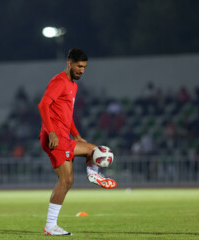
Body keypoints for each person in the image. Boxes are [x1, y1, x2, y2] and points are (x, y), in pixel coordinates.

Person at [38, 48, 117, 236]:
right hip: (54, 139)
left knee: (95, 150)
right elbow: (43, 105)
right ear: (69, 63)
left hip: (64, 138)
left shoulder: (73, 86)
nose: (82, 70)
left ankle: (93, 174)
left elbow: (66, 115)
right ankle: (50, 226)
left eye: (84, 67)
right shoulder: (59, 82)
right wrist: (52, 132)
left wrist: (77, 135)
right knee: (66, 181)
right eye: (79, 66)